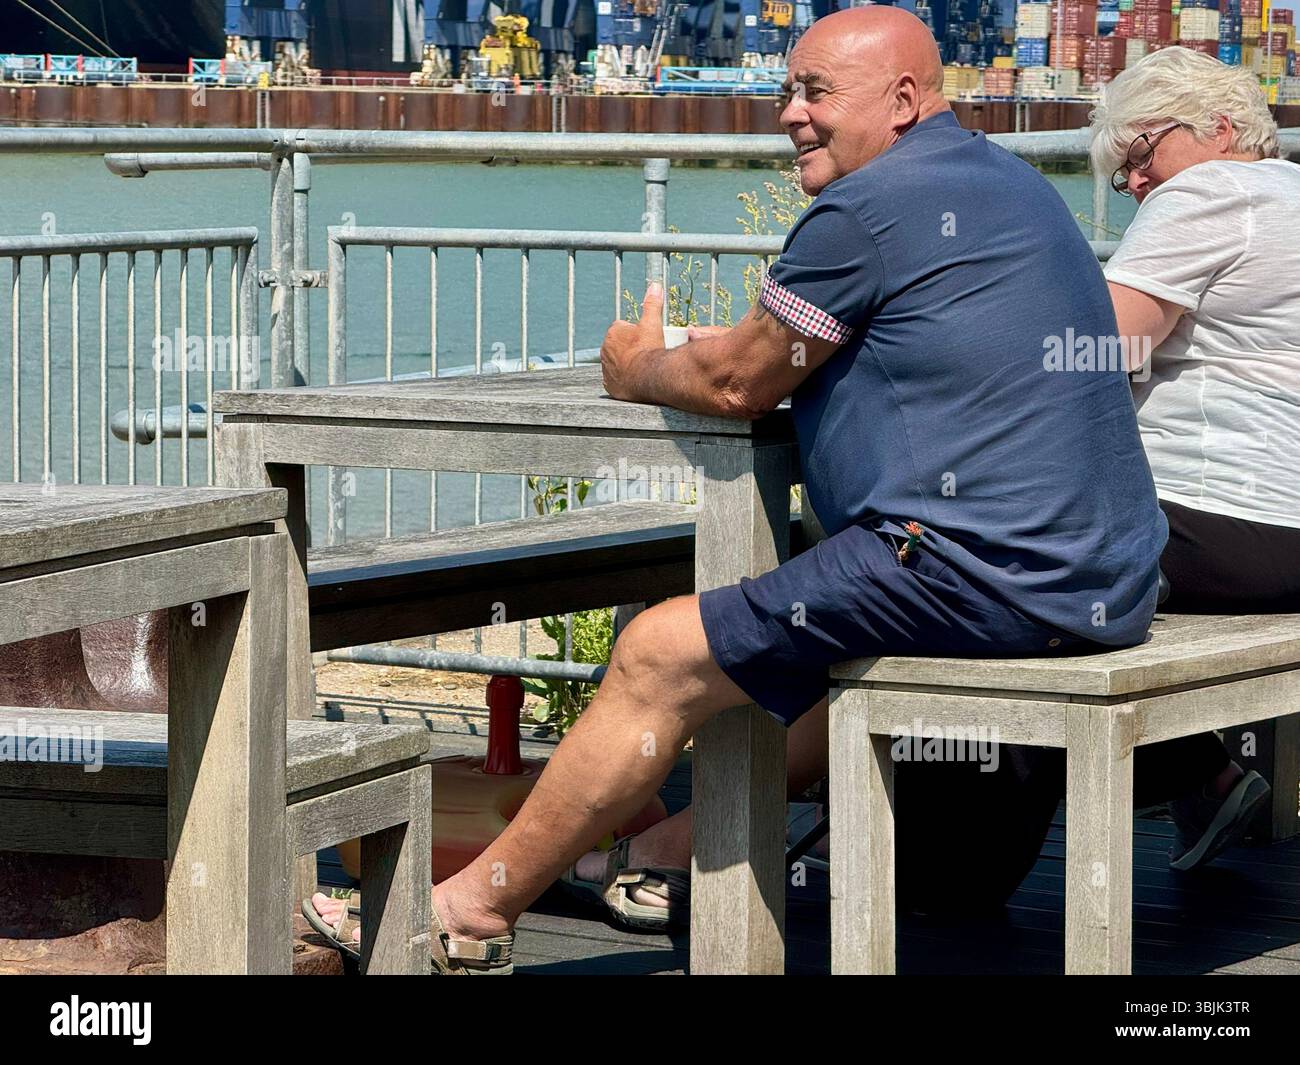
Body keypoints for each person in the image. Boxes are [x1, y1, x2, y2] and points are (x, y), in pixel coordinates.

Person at [307, 6, 1167, 972]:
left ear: (903, 101)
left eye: (815, 93)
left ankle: (465, 914)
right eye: (787, 91)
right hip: (1108, 571)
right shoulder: (1010, 184)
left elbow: (739, 381)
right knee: (765, 637)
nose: (790, 115)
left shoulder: (864, 207)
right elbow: (810, 347)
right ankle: (641, 850)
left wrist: (635, 364)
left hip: (975, 568)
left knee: (657, 650)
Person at [1089, 45, 1296, 869]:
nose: (1136, 184)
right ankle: (1203, 779)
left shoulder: (1211, 190)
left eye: (1139, 156)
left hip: (1221, 521)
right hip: (1279, 538)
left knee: (995, 560)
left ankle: (1202, 773)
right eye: (1122, 175)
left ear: (1217, 127)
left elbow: (1097, 353)